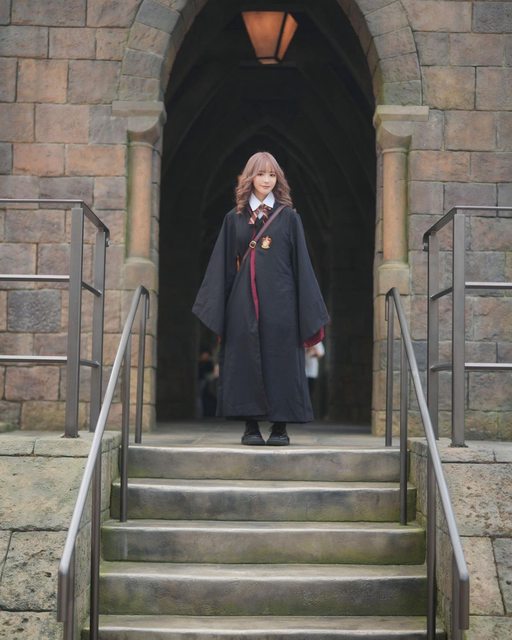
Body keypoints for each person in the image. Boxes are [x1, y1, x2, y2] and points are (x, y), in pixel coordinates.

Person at [192, 151, 329, 446]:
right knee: (246, 360)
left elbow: (301, 264)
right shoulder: (234, 219)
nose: (267, 180)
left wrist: (306, 310)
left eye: (272, 175)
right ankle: (250, 426)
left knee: (282, 360)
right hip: (243, 303)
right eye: (261, 174)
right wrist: (222, 308)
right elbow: (224, 266)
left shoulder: (289, 218)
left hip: (282, 303)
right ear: (250, 177)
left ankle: (280, 427)